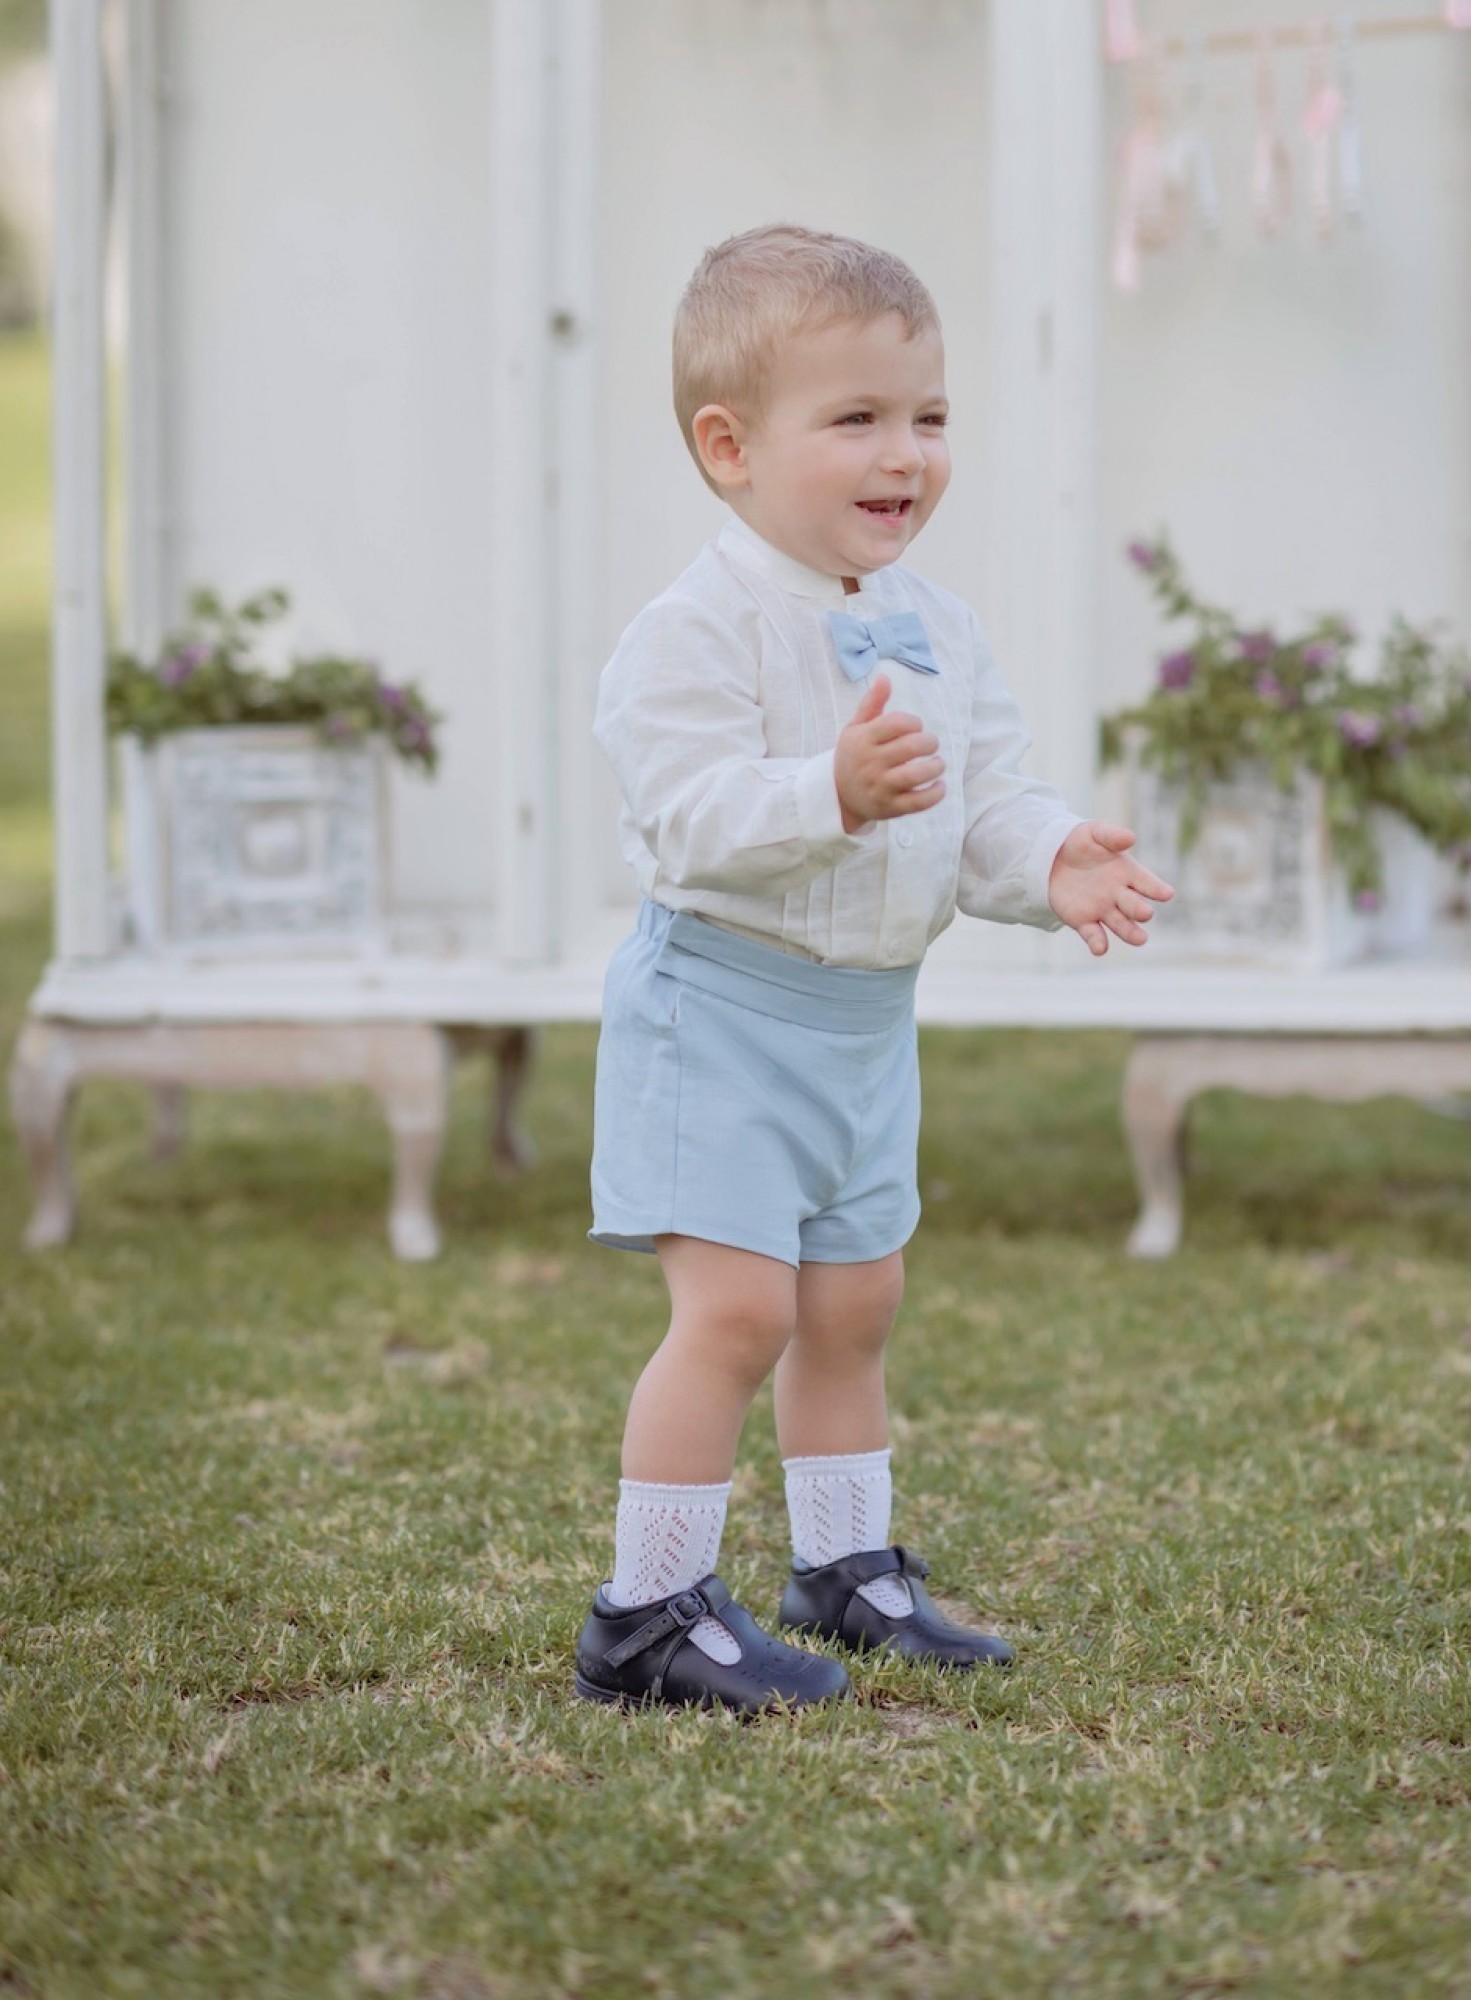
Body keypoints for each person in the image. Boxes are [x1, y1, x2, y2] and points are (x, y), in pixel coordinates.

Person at [574, 225, 1172, 1713]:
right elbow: (684, 818)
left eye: (929, 416)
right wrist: (826, 791)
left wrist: (1046, 862)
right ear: (729, 446)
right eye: (855, 419)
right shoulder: (691, 634)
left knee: (854, 1305)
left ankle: (844, 1570)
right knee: (736, 1314)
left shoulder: (935, 629)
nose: (905, 451)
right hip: (720, 1013)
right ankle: (645, 1614)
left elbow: (977, 803)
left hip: (862, 1027)